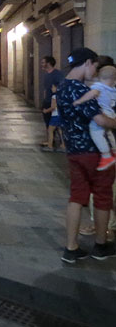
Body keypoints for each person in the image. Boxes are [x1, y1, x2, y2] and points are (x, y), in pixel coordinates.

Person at [56, 48, 116, 263]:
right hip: (95, 152)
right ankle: (101, 245)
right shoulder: (82, 90)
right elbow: (99, 120)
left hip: (74, 151)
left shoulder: (62, 87)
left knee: (76, 197)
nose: (95, 72)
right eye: (95, 67)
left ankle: (71, 248)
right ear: (88, 63)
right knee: (102, 196)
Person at [71, 65, 116, 171]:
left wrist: (78, 101)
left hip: (103, 112)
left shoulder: (99, 87)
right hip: (111, 113)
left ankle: (106, 156)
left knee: (96, 132)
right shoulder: (113, 89)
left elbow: (92, 94)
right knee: (108, 133)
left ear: (99, 77)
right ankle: (114, 150)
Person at [40, 56, 65, 148]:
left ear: (49, 63)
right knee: (48, 121)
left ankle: (61, 142)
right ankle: (51, 139)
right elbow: (46, 88)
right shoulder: (46, 74)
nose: (42, 64)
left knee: (57, 123)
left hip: (55, 101)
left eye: (43, 62)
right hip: (47, 101)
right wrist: (44, 99)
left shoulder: (57, 74)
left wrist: (56, 91)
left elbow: (62, 86)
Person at [41, 84, 66, 153]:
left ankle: (50, 146)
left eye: (53, 87)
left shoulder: (54, 96)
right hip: (60, 115)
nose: (52, 89)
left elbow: (53, 107)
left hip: (55, 115)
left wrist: (46, 111)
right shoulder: (62, 95)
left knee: (50, 130)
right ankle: (63, 145)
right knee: (60, 130)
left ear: (56, 87)